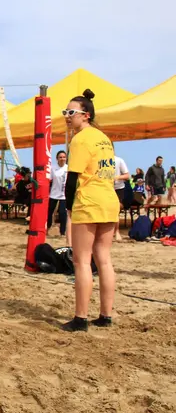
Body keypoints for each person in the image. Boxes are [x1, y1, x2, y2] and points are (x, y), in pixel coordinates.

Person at [62, 89, 118, 332]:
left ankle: (80, 319)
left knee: (81, 261)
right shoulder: (104, 137)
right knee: (103, 259)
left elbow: (72, 179)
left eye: (71, 112)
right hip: (108, 199)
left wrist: (67, 206)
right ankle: (106, 316)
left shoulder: (80, 138)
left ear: (85, 115)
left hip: (89, 200)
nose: (66, 116)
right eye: (65, 112)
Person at [48, 151, 69, 241]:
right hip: (53, 194)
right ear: (57, 158)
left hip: (64, 195)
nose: (62, 159)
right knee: (49, 212)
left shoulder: (68, 168)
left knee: (62, 213)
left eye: (64, 157)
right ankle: (48, 228)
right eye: (60, 157)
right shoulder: (53, 168)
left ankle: (63, 232)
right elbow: (49, 180)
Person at [113, 154, 130, 242]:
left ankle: (117, 231)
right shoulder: (100, 160)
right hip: (104, 188)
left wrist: (116, 178)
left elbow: (127, 176)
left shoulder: (119, 160)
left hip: (118, 188)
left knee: (116, 210)